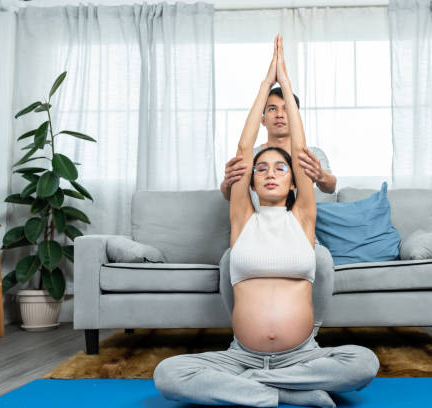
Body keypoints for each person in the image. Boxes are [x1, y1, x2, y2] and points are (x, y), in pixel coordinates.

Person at [153, 34, 380, 408]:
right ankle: (288, 391)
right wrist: (265, 82)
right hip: (239, 355)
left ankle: (250, 387)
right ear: (252, 180)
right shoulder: (244, 220)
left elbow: (301, 154)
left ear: (294, 180)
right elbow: (244, 150)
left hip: (302, 354)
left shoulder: (303, 216)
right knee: (168, 374)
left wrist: (286, 83)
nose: (271, 173)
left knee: (364, 362)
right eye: (261, 169)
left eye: (281, 168)